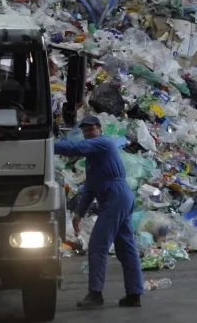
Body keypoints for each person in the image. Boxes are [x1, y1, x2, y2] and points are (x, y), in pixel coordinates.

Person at [54, 115, 143, 309]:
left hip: (116, 197)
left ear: (99, 129)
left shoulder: (104, 143)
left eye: (91, 129)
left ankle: (95, 294)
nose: (88, 134)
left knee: (97, 246)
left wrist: (46, 145)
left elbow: (75, 148)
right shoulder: (92, 160)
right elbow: (89, 189)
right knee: (126, 248)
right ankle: (134, 294)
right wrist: (79, 213)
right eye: (85, 131)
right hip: (118, 199)